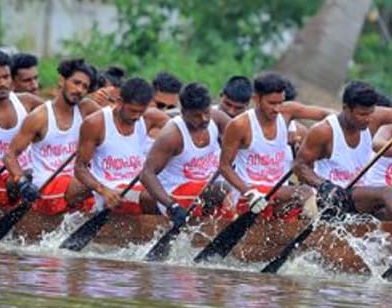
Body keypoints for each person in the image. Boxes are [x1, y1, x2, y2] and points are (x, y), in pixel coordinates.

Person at [292, 81, 392, 221]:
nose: (368, 119)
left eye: (370, 113)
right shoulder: (323, 131)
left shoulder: (373, 118)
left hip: (357, 196)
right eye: (362, 114)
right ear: (346, 108)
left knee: (391, 211)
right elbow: (299, 166)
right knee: (386, 193)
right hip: (331, 198)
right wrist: (323, 185)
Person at [218, 72, 330, 219]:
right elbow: (224, 166)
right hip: (250, 196)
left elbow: (326, 114)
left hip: (278, 193)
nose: (277, 109)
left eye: (280, 103)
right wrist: (249, 192)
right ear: (256, 99)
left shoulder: (287, 112)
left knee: (317, 197)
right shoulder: (240, 125)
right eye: (271, 103)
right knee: (306, 192)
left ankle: (309, 234)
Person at [2, 58, 102, 214]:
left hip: (76, 183)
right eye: (76, 83)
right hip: (47, 186)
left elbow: (112, 123)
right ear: (62, 80)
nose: (80, 90)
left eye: (85, 87)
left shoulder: (87, 108)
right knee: (99, 181)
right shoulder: (39, 117)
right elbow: (9, 155)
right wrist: (21, 181)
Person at [68, 76, 164, 215]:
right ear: (119, 102)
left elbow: (181, 127)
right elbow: (80, 167)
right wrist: (102, 189)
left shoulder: (150, 117)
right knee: (150, 197)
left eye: (141, 111)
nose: (137, 116)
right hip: (108, 190)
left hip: (137, 185)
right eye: (132, 110)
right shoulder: (95, 123)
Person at [141, 82, 229, 222]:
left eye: (206, 113)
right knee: (223, 188)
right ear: (183, 113)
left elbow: (243, 141)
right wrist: (172, 206)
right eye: (197, 116)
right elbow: (146, 174)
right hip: (176, 191)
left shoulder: (217, 117)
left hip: (208, 187)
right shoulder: (172, 135)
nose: (204, 119)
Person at [0, 50, 44, 207]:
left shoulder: (27, 101)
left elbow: (61, 112)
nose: (3, 83)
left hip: (28, 177)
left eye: (6, 77)